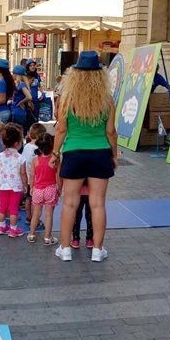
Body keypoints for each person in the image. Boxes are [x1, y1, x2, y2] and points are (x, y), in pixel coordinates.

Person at [51, 51, 117, 263]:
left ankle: (65, 248)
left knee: (70, 203)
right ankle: (97, 250)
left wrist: (54, 153)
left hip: (74, 152)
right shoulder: (107, 100)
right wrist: (114, 154)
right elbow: (110, 132)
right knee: (97, 204)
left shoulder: (67, 99)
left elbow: (61, 130)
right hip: (100, 152)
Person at [0, 124, 27, 238]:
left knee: (2, 207)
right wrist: (25, 185)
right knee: (14, 208)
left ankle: (1, 227)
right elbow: (23, 173)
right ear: (17, 143)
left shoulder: (0, 156)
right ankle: (13, 230)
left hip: (3, 185)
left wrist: (2, 179)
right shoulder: (20, 158)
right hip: (16, 186)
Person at [28, 133, 59, 245]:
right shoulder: (55, 160)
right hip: (50, 188)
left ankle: (31, 234)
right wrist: (59, 188)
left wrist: (31, 187)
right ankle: (47, 237)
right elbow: (58, 176)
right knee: (49, 215)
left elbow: (32, 176)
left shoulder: (35, 160)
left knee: (36, 213)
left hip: (37, 189)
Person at [20, 123, 47, 226]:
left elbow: (23, 161)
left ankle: (28, 217)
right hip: (36, 179)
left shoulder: (26, 146)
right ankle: (35, 219)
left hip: (27, 177)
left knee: (28, 198)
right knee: (35, 201)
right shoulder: (38, 149)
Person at [71, 180, 93, 249]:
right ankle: (90, 240)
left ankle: (75, 239)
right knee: (90, 216)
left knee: (76, 216)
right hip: (90, 192)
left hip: (78, 192)